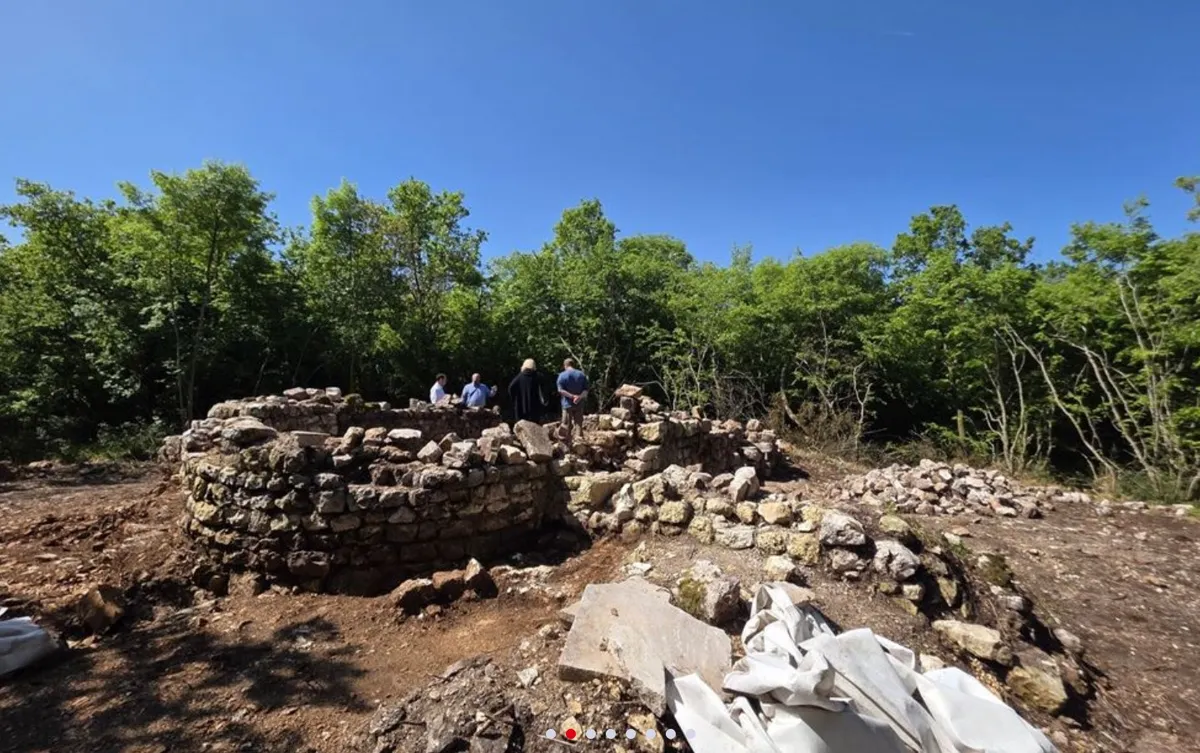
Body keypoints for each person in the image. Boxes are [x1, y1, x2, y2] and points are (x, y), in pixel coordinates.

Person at [556, 358, 589, 441]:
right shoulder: (581, 374)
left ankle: (567, 446)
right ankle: (579, 444)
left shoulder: (562, 375)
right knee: (578, 424)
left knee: (566, 425)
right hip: (579, 404)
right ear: (573, 364)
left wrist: (572, 396)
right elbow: (586, 390)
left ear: (565, 365)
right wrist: (579, 397)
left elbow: (560, 390)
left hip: (567, 404)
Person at [508, 359, 547, 423]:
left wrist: (514, 399)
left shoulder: (519, 377)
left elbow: (510, 387)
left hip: (520, 407)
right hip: (535, 407)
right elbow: (544, 390)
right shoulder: (538, 376)